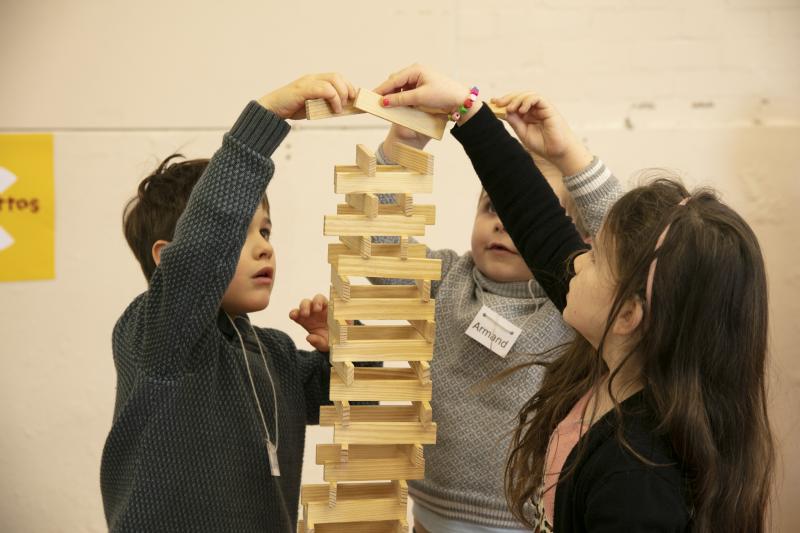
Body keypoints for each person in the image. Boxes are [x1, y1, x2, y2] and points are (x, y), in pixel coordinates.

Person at [376, 64, 775, 533]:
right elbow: (552, 223)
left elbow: (632, 243)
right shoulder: (614, 369)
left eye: (593, 256)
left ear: (629, 313)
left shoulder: (635, 482)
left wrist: (566, 159)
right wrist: (469, 113)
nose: (574, 262)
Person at [100, 73, 355, 532]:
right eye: (240, 233)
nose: (264, 247)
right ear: (167, 260)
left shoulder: (276, 356)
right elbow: (199, 257)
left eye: (266, 231)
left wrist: (341, 348)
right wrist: (260, 128)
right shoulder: (154, 334)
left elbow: (362, 399)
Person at [369, 116, 619, 532]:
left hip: (527, 520)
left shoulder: (575, 305)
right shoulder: (446, 279)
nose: (502, 222)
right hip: (431, 515)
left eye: (521, 216)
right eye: (490, 207)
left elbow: (628, 246)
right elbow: (377, 249)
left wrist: (569, 156)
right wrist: (402, 147)